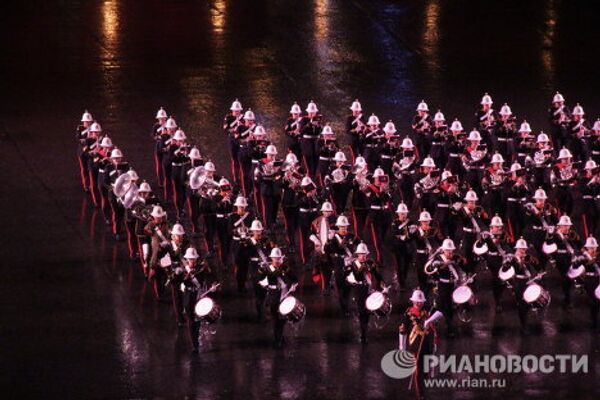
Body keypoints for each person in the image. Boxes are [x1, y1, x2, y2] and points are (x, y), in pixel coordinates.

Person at [399, 288, 443, 400]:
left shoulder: (427, 311)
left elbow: (440, 313)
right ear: (413, 301)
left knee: (426, 369)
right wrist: (401, 347)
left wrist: (429, 320)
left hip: (426, 344)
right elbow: (403, 331)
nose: (419, 303)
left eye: (421, 301)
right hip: (415, 345)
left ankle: (423, 387)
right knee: (418, 370)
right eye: (417, 301)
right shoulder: (408, 314)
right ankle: (421, 394)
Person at [256, 247, 298, 348]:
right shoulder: (267, 268)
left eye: (279, 258)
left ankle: (279, 336)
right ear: (272, 259)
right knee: (275, 319)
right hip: (273, 296)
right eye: (275, 258)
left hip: (284, 294)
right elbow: (260, 278)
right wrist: (262, 269)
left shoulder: (285, 267)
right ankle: (277, 339)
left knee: (282, 319)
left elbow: (294, 278)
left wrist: (294, 285)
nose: (277, 260)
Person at [344, 242, 385, 343]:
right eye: (361, 254)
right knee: (362, 311)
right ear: (357, 254)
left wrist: (382, 282)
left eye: (364, 254)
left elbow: (377, 274)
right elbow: (356, 276)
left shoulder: (370, 262)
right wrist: (359, 267)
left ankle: (365, 328)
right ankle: (363, 333)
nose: (362, 256)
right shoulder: (354, 264)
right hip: (359, 289)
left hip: (369, 288)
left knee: (367, 311)